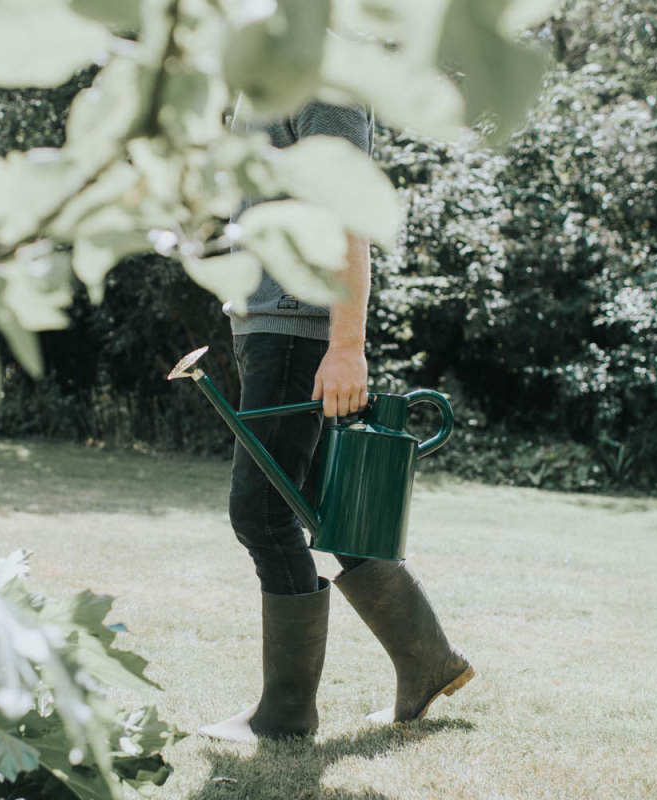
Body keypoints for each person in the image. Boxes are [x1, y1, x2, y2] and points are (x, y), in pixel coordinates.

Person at [200, 99, 474, 742]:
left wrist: (346, 344)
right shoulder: (262, 65)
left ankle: (286, 714)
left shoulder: (322, 67)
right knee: (327, 508)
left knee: (262, 513)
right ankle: (428, 662)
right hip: (268, 325)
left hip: (300, 327)